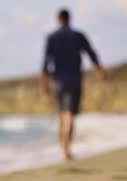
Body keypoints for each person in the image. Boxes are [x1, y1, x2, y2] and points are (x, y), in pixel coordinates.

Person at [41, 8, 105, 161]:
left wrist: (44, 82)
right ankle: (66, 149)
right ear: (69, 19)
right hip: (74, 79)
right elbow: (91, 53)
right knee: (69, 115)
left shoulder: (52, 37)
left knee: (62, 115)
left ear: (58, 20)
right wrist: (99, 69)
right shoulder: (78, 36)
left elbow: (45, 61)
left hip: (57, 81)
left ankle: (63, 149)